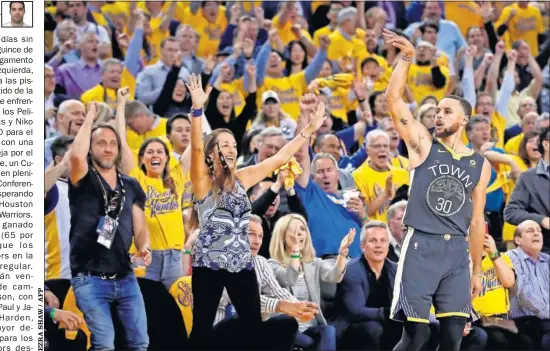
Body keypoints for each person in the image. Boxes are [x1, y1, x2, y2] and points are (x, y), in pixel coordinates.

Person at [185, 74, 326, 349]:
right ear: (212, 153)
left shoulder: (243, 178)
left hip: (241, 263)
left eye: (233, 145)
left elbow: (279, 158)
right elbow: (197, 146)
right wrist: (197, 111)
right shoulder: (203, 181)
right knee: (200, 329)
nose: (231, 148)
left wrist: (309, 129)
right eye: (224, 144)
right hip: (210, 265)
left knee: (252, 325)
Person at [382, 28, 491, 351]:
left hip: (457, 252)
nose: (437, 116)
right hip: (421, 246)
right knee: (416, 336)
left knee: (454, 338)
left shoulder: (480, 164)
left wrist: (476, 269)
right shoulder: (423, 145)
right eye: (436, 111)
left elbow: (476, 221)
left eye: (446, 111)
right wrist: (406, 59)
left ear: (465, 119)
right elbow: (393, 100)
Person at [68, 101, 152, 350]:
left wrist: (144, 247)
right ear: (91, 149)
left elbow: (140, 224)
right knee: (104, 343)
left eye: (112, 144)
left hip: (125, 275)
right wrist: (91, 115)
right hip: (89, 277)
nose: (107, 149)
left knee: (140, 342)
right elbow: (75, 155)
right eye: (101, 143)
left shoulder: (131, 184)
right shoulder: (82, 177)